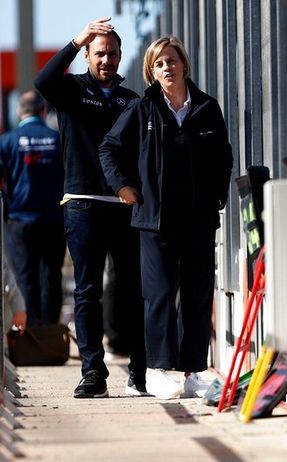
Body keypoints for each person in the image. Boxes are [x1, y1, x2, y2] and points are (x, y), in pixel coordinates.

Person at [99, 36, 233, 399]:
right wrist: (122, 188)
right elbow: (109, 148)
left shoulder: (207, 108)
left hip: (197, 220)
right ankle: (157, 370)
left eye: (171, 61)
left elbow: (224, 156)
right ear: (151, 72)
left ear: (184, 65)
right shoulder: (143, 109)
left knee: (196, 295)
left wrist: (216, 196)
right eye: (159, 64)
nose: (166, 68)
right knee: (158, 295)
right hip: (154, 221)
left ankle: (194, 372)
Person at [35, 17, 147, 399]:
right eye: (99, 53)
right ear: (87, 55)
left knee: (132, 288)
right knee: (86, 291)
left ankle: (139, 369)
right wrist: (77, 37)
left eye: (113, 54)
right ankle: (92, 372)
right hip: (81, 204)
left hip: (123, 203)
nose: (107, 60)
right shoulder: (69, 89)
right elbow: (43, 80)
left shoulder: (132, 100)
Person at [0, 91, 64, 329]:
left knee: (24, 275)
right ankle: (50, 331)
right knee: (51, 275)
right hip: (54, 219)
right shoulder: (57, 139)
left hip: (19, 220)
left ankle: (30, 332)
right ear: (43, 111)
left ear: (19, 111)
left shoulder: (7, 140)